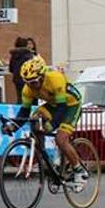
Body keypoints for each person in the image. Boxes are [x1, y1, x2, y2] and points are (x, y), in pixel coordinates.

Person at [11, 56, 88, 188]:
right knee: (35, 118)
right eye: (27, 82)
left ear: (42, 77)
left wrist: (51, 125)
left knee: (60, 139)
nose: (31, 86)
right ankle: (45, 160)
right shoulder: (27, 89)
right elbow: (24, 112)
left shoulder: (55, 79)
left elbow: (62, 107)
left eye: (34, 82)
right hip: (53, 105)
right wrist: (13, 127)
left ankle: (79, 170)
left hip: (71, 104)